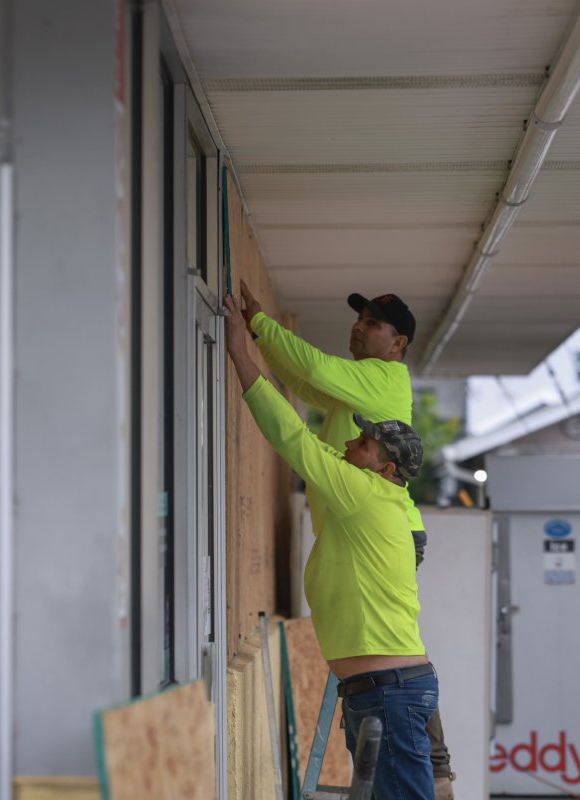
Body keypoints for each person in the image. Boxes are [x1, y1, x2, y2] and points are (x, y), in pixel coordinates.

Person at [238, 280, 455, 798]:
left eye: (373, 324)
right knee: (396, 628)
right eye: (358, 320)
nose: (358, 328)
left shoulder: (381, 382)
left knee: (392, 629)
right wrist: (256, 340)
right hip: (380, 689)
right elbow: (303, 384)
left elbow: (308, 383)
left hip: (388, 683)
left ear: (398, 343)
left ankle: (437, 761)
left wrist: (256, 329)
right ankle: (438, 763)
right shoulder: (360, 413)